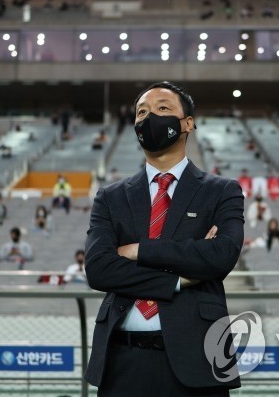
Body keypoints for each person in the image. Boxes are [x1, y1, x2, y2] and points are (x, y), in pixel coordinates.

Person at [84, 81, 244, 395]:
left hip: (197, 360)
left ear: (188, 123)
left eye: (162, 109)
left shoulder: (222, 191)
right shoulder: (110, 197)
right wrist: (177, 280)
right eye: (141, 112)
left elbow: (221, 256)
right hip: (120, 362)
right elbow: (99, 268)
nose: (149, 118)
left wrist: (138, 251)